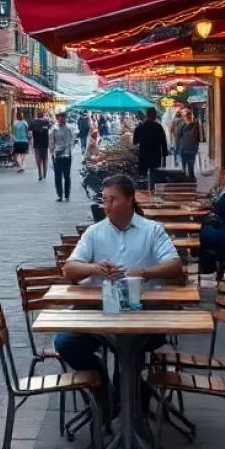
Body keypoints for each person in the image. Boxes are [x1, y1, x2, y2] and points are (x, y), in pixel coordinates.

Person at [57, 174, 182, 418]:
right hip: (100, 309)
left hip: (142, 309)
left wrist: (144, 272)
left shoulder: (152, 230)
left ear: (129, 200)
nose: (106, 206)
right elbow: (69, 269)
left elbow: (175, 265)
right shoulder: (95, 232)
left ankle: (130, 406)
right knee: (66, 342)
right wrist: (94, 268)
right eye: (104, 200)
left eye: (112, 200)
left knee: (130, 351)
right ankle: (105, 390)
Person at [133, 107, 169, 188]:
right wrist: (165, 153)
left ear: (146, 115)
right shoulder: (158, 127)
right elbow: (163, 141)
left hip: (143, 153)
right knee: (154, 171)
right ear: (154, 116)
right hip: (155, 154)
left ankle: (145, 188)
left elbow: (135, 142)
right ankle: (152, 187)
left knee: (143, 173)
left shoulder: (139, 127)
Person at [51, 110, 74, 202]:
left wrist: (69, 150)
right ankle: (60, 195)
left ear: (65, 118)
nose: (61, 118)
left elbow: (72, 141)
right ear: (57, 118)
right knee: (57, 176)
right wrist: (52, 152)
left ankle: (67, 194)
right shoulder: (54, 128)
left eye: (62, 117)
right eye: (59, 117)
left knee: (67, 176)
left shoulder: (70, 128)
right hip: (57, 155)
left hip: (67, 155)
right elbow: (52, 142)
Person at [178, 109, 201, 179]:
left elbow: (178, 135)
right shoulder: (195, 125)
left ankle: (186, 174)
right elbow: (199, 137)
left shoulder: (182, 125)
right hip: (189, 147)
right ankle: (190, 175)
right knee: (189, 162)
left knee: (186, 162)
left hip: (186, 147)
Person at [30, 111, 51, 181]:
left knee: (38, 159)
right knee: (45, 158)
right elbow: (50, 130)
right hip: (45, 143)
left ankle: (40, 175)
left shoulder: (33, 122)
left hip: (37, 144)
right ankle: (45, 173)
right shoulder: (47, 122)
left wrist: (31, 141)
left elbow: (29, 133)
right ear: (42, 116)